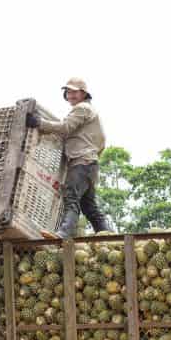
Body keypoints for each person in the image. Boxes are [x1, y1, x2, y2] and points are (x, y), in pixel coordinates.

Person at [27, 77, 113, 239]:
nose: (70, 95)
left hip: (82, 162)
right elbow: (101, 141)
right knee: (89, 207)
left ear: (83, 93)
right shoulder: (88, 111)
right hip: (89, 163)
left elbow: (65, 127)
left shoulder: (82, 108)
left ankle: (64, 233)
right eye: (68, 92)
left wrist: (39, 123)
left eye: (74, 91)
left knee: (71, 197)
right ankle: (109, 236)